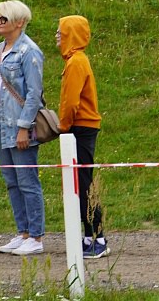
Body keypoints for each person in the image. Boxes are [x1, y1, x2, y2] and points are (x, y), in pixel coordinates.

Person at [0, 0, 47, 256]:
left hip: (18, 124)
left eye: (3, 18)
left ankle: (36, 236)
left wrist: (23, 127)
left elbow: (33, 93)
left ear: (18, 22)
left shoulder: (29, 52)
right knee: (11, 181)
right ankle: (23, 232)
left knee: (28, 181)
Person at [56, 15, 109, 258]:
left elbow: (70, 102)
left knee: (83, 184)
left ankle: (97, 238)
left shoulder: (76, 62)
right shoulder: (75, 60)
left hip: (80, 128)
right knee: (80, 182)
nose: (57, 36)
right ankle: (90, 236)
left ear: (72, 34)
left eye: (61, 32)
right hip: (81, 127)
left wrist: (63, 126)